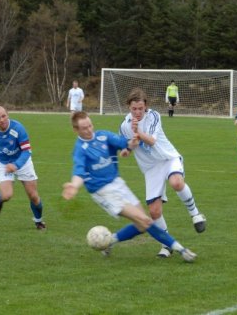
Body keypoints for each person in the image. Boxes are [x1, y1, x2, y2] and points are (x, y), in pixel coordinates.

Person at [62, 111, 197, 262]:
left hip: (118, 184)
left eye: (90, 125)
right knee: (145, 220)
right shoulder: (80, 149)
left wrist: (131, 144)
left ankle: (109, 241)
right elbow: (79, 172)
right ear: (76, 130)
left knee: (141, 225)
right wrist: (74, 186)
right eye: (84, 128)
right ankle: (181, 249)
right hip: (103, 192)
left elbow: (124, 143)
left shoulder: (103, 136)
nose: (89, 130)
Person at [119, 88, 206, 258]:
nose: (137, 112)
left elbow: (151, 141)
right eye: (134, 109)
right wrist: (126, 150)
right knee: (154, 212)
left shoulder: (154, 116)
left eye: (140, 109)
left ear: (146, 107)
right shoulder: (124, 126)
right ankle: (166, 245)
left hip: (167, 158)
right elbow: (126, 145)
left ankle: (195, 214)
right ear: (128, 107)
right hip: (151, 169)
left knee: (176, 182)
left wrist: (137, 132)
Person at [0, 105, 46, 230]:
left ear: (8, 115)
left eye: (4, 116)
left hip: (22, 161)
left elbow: (26, 151)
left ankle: (38, 221)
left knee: (33, 196)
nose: (2, 120)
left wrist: (16, 165)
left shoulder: (18, 128)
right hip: (2, 163)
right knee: (7, 195)